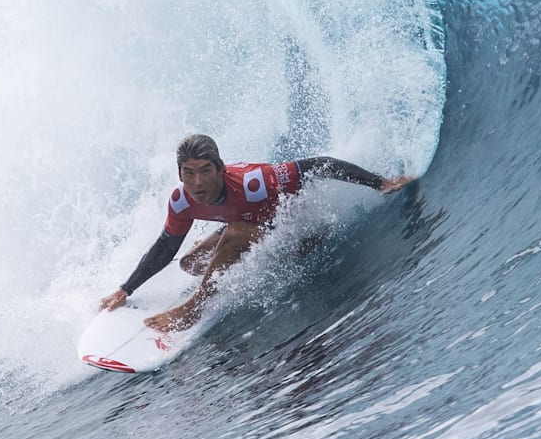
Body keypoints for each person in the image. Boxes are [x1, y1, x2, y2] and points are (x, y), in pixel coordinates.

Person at [100, 134, 414, 332]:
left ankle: (194, 307)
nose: (198, 183)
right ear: (180, 173)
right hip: (253, 226)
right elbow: (166, 246)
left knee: (236, 233)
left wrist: (380, 183)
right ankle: (226, 243)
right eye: (189, 173)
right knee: (189, 264)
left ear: (221, 169)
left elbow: (320, 165)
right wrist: (126, 289)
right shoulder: (183, 200)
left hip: (295, 233)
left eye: (206, 171)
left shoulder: (256, 181)